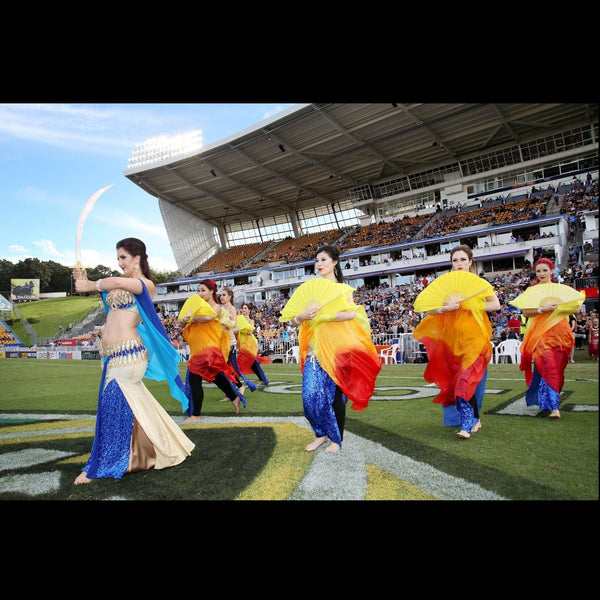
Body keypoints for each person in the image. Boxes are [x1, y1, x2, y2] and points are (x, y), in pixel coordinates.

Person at [72, 237, 194, 485]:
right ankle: (160, 448)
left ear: (137, 257)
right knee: (135, 404)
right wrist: (80, 279)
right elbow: (101, 287)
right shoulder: (116, 287)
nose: (119, 263)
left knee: (111, 406)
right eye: (117, 258)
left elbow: (115, 281)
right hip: (112, 356)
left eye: (123, 257)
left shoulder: (145, 284)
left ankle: (106, 463)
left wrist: (90, 283)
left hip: (129, 355)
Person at [279, 244, 381, 453]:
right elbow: (292, 322)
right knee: (309, 397)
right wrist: (302, 316)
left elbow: (351, 314)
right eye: (317, 261)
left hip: (336, 351)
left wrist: (324, 316)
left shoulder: (342, 290)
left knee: (334, 398)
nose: (319, 264)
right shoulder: (311, 291)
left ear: (334, 262)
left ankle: (336, 439)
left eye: (323, 260)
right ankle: (321, 433)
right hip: (313, 351)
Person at [412, 244, 501, 439]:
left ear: (470, 262)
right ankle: (475, 418)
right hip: (452, 341)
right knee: (463, 380)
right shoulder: (445, 283)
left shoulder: (479, 283)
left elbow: (496, 304)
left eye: (462, 259)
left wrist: (472, 305)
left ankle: (467, 425)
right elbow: (429, 309)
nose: (459, 263)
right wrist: (446, 308)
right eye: (455, 260)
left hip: (475, 339)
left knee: (465, 379)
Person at [517, 257, 580, 419]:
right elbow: (525, 312)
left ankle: (549, 400)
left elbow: (577, 309)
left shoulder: (560, 289)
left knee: (558, 370)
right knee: (549, 367)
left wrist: (561, 307)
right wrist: (542, 309)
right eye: (538, 271)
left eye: (545, 270)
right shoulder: (532, 291)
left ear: (552, 271)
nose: (541, 273)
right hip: (540, 335)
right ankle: (555, 408)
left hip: (561, 334)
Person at [180, 279, 247, 422]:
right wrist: (184, 319)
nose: (200, 293)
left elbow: (208, 317)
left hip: (208, 349)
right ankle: (234, 396)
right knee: (216, 376)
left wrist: (191, 318)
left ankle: (196, 415)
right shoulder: (198, 307)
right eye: (199, 290)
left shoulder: (216, 307)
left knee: (194, 378)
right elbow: (184, 320)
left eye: (203, 290)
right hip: (199, 348)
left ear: (211, 291)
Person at [218, 286, 255, 395]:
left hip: (230, 342)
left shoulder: (231, 309)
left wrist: (223, 323)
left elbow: (234, 324)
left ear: (230, 296)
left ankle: (238, 387)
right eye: (220, 295)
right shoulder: (220, 309)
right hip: (222, 341)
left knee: (224, 367)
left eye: (224, 295)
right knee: (226, 368)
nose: (221, 297)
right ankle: (233, 390)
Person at [236, 303, 270, 386]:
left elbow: (250, 332)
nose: (243, 310)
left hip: (250, 344)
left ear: (249, 310)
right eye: (242, 308)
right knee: (252, 363)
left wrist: (242, 328)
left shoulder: (251, 320)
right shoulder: (239, 319)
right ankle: (263, 379)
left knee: (246, 362)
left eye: (245, 308)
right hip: (243, 343)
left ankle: (235, 379)